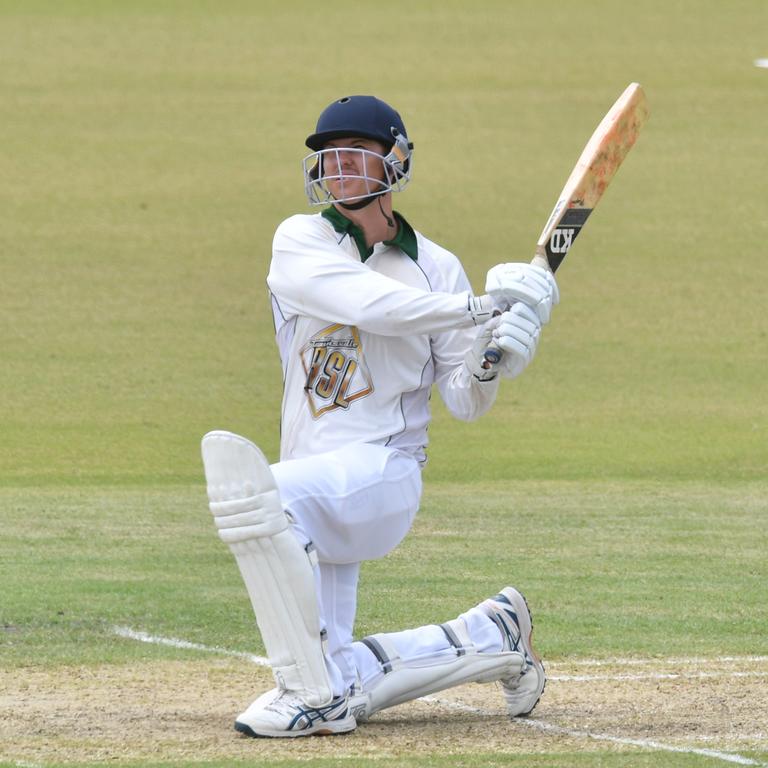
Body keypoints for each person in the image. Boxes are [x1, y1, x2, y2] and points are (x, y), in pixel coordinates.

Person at [201, 95, 558, 738]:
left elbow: (463, 401)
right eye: (327, 157)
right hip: (318, 480)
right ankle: (491, 634)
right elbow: (372, 305)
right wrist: (479, 310)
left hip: (384, 475)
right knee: (335, 668)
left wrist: (490, 358)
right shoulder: (300, 240)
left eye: (353, 155)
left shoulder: (438, 268)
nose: (336, 169)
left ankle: (307, 695)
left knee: (262, 494)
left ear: (395, 161)